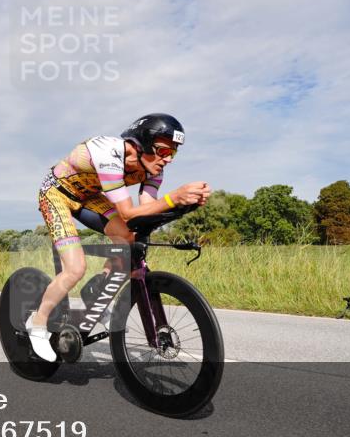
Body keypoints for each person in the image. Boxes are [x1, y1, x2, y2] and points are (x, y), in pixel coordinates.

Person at [28, 114, 212, 361]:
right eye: (163, 150)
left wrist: (184, 207)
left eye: (173, 153)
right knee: (75, 268)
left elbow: (146, 211)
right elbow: (127, 211)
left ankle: (97, 290)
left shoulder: (153, 170)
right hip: (56, 194)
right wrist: (174, 197)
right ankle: (37, 324)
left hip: (89, 196)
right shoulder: (110, 153)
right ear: (143, 143)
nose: (167, 159)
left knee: (127, 238)